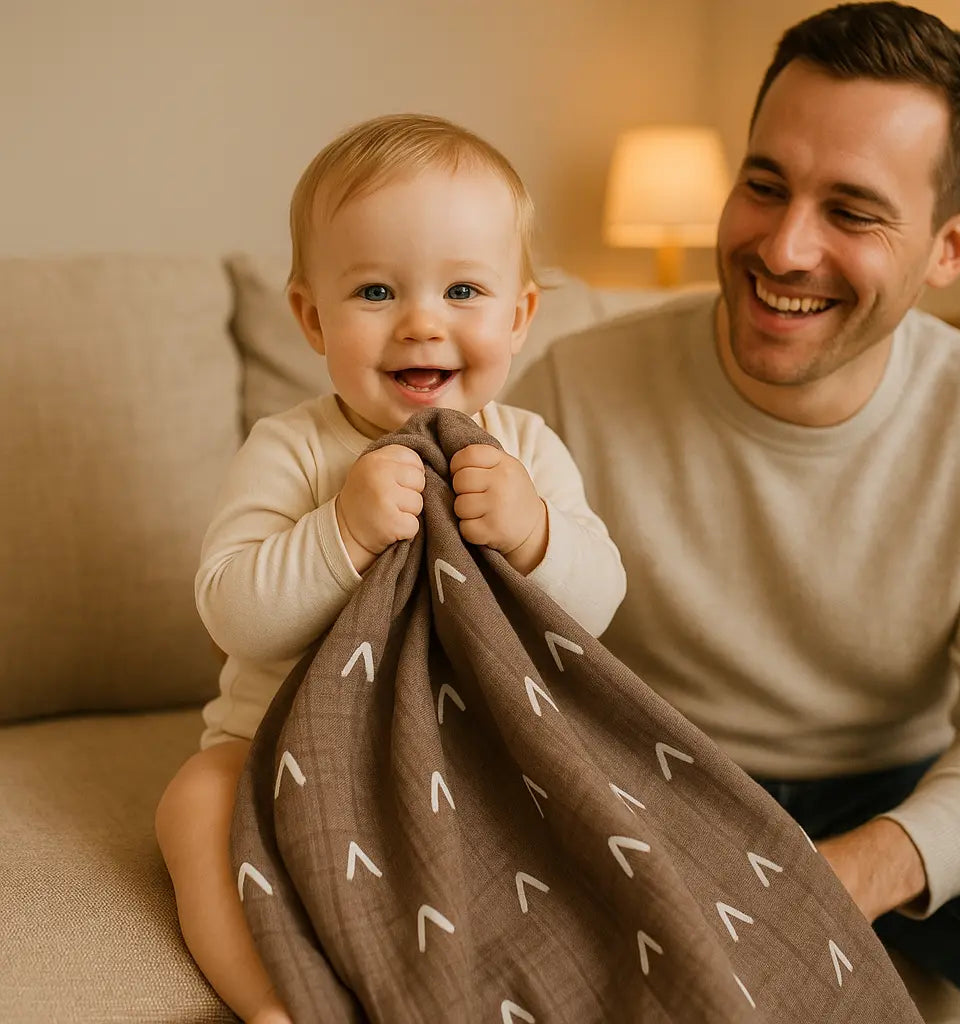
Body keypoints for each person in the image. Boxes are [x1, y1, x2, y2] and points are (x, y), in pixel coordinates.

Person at [509, 3, 960, 1018]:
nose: (784, 249)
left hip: (898, 789)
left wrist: (843, 876)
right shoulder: (571, 388)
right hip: (653, 780)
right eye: (764, 185)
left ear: (952, 245)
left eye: (853, 212)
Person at [155, 113, 626, 1024]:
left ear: (519, 316)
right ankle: (273, 1002)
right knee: (194, 802)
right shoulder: (290, 449)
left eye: (463, 289)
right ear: (311, 317)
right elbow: (230, 612)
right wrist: (340, 531)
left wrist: (533, 533)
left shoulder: (528, 448)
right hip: (281, 757)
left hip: (470, 759)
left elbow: (598, 606)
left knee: (583, 814)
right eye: (375, 290)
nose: (421, 323)